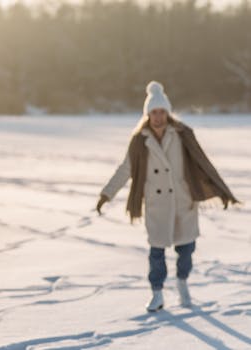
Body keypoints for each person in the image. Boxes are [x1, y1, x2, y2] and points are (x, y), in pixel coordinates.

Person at [96, 81, 238, 312]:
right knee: (156, 254)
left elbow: (203, 164)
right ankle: (157, 294)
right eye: (154, 112)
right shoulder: (140, 141)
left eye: (162, 112)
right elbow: (125, 169)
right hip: (157, 205)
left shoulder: (182, 135)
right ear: (148, 114)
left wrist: (220, 191)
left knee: (186, 250)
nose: (158, 116)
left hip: (183, 203)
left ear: (167, 112)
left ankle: (182, 282)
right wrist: (106, 194)